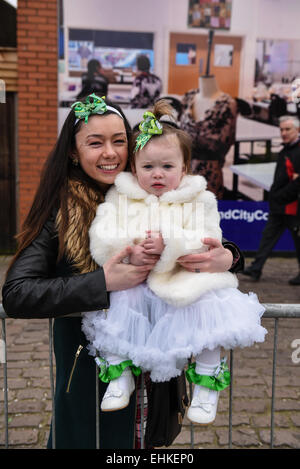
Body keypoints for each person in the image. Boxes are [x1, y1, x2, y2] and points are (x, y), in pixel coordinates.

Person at [2, 93, 244, 449]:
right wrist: (103, 282)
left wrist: (228, 258)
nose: (110, 153)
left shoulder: (156, 188)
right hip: (92, 376)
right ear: (73, 151)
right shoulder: (63, 211)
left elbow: (205, 236)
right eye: (95, 143)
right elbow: (17, 293)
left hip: (156, 375)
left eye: (119, 141)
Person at [82, 99, 267, 426]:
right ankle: (119, 376)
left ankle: (207, 386)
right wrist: (130, 250)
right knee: (113, 310)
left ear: (184, 169)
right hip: (136, 279)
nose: (157, 174)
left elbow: (209, 238)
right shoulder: (121, 196)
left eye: (167, 167)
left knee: (211, 316)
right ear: (134, 168)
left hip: (186, 278)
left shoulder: (200, 199)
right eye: (147, 166)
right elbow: (103, 235)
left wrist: (176, 244)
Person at [242, 115, 300, 285]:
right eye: (281, 129)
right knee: (267, 237)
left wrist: (279, 196)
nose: (283, 133)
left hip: (293, 207)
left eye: (287, 129)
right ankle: (256, 268)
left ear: (298, 130)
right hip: (279, 207)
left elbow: (297, 182)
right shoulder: (286, 150)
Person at [180, 75, 238, 199]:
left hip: (210, 176)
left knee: (207, 214)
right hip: (183, 174)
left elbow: (226, 142)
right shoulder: (187, 98)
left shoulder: (227, 105)